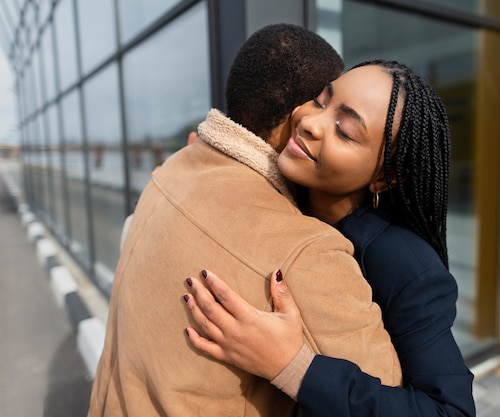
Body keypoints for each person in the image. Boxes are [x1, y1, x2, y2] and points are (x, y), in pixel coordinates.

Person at [88, 24, 402, 417]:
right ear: (300, 116)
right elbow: (389, 397)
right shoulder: (305, 249)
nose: (318, 122)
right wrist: (292, 366)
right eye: (323, 103)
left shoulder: (170, 172)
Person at [183, 60, 476, 416]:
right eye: (321, 100)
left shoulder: (405, 265)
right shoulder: (277, 194)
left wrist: (293, 367)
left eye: (346, 131)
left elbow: (451, 410)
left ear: (384, 179)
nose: (310, 122)